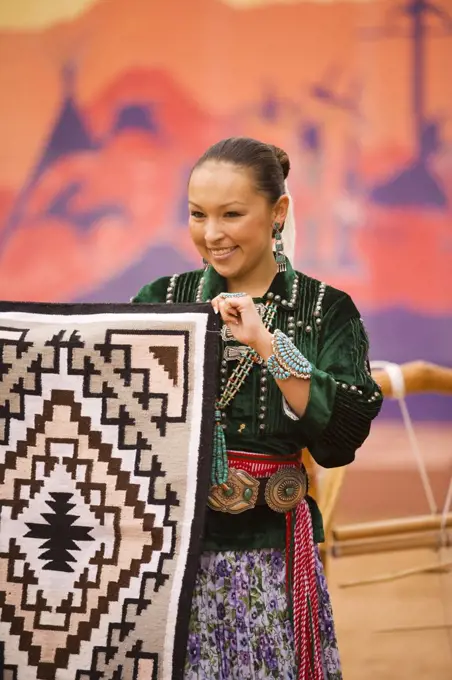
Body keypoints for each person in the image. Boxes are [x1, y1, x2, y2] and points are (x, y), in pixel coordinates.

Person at [132, 137, 383, 679]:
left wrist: (269, 344)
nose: (211, 233)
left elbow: (340, 440)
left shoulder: (326, 310)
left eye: (231, 214)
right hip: (170, 561)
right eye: (198, 215)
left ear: (279, 213)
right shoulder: (164, 300)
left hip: (272, 559)